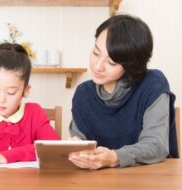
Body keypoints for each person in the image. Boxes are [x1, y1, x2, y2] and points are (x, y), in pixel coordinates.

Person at [68, 14, 179, 169]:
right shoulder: (83, 94)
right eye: (95, 53)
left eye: (112, 62)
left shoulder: (152, 84)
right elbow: (79, 141)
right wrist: (75, 148)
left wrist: (115, 157)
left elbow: (156, 145)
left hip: (151, 179)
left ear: (131, 65)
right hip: (98, 185)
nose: (98, 66)